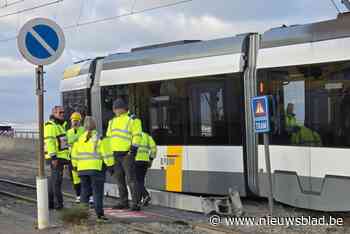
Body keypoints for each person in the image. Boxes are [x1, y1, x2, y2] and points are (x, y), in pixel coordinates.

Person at [71, 116, 114, 222]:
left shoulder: (79, 139)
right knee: (97, 193)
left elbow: (74, 155)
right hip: (95, 169)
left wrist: (76, 166)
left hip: (82, 170)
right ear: (95, 126)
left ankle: (82, 216)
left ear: (84, 127)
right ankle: (100, 216)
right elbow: (106, 154)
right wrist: (110, 166)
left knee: (84, 193)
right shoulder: (99, 138)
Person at [106, 97, 142, 211]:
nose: (114, 111)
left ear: (121, 108)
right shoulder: (112, 121)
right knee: (120, 179)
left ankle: (135, 203)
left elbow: (137, 135)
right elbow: (108, 139)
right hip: (116, 154)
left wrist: (133, 149)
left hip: (127, 153)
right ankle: (123, 201)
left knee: (131, 179)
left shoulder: (133, 119)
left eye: (116, 109)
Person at [44, 106, 70, 210]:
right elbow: (50, 142)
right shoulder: (51, 126)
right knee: (56, 181)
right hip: (56, 158)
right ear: (54, 113)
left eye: (63, 112)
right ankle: (58, 204)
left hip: (60, 158)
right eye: (60, 112)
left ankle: (51, 203)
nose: (63, 114)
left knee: (54, 180)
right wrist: (54, 157)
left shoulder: (59, 125)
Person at [66, 112, 85, 203]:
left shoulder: (84, 130)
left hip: (83, 158)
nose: (75, 122)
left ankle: (86, 196)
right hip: (71, 159)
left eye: (77, 121)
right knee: (75, 179)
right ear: (71, 121)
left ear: (80, 121)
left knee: (84, 178)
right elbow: (65, 146)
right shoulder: (68, 132)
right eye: (74, 121)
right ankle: (78, 195)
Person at [135, 132, 157, 207]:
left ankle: (145, 195)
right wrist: (151, 159)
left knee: (136, 181)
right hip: (145, 161)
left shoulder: (133, 135)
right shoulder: (147, 136)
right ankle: (141, 200)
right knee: (141, 181)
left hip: (136, 161)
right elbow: (154, 148)